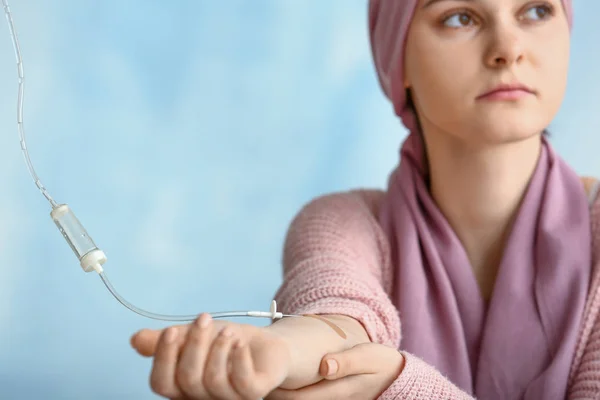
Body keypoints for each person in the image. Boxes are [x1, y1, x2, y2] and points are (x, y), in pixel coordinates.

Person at [129, 0, 600, 398]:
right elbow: (335, 315)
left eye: (536, 10)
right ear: (399, 61)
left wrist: (398, 385)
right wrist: (276, 355)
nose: (508, 49)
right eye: (460, 18)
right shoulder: (344, 222)